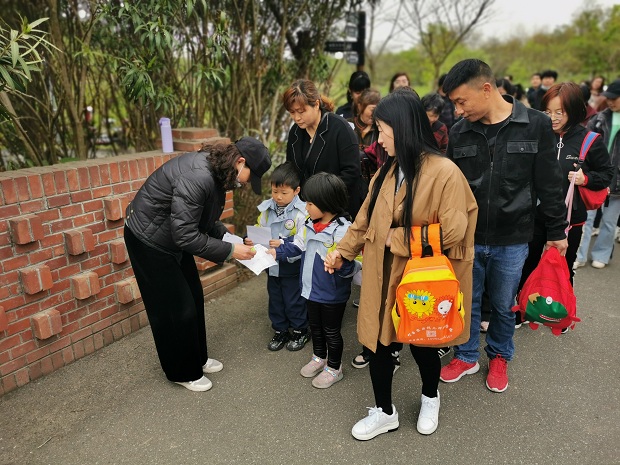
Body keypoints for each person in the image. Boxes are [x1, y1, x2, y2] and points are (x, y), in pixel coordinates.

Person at [325, 88, 478, 439]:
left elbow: (454, 231)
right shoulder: (386, 172)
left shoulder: (445, 173)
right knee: (379, 343)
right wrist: (342, 252)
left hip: (421, 280)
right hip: (382, 275)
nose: (379, 140)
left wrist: (396, 238)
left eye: (383, 131)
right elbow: (363, 220)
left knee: (423, 344)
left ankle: (430, 397)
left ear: (404, 128)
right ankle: (384, 411)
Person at [439, 59, 568, 393]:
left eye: (461, 101)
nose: (457, 110)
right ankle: (466, 355)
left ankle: (499, 355)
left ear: (486, 89)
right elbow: (449, 188)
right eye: (454, 104)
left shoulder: (535, 124)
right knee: (467, 301)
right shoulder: (459, 132)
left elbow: (549, 183)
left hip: (513, 237)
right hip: (467, 238)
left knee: (502, 304)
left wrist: (557, 231)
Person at [124, 137, 271, 392]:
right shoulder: (199, 176)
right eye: (251, 176)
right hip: (148, 241)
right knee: (175, 309)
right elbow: (186, 235)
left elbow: (205, 220)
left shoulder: (217, 172)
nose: (248, 183)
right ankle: (182, 372)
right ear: (240, 162)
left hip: (170, 238)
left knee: (193, 298)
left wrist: (233, 240)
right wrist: (230, 251)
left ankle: (198, 359)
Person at [516, 82, 612, 329]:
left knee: (563, 267)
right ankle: (523, 309)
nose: (553, 118)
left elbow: (607, 174)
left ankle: (561, 313)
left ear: (575, 111)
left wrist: (585, 179)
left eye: (560, 112)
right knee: (527, 263)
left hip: (571, 219)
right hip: (534, 215)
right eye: (548, 111)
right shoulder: (537, 134)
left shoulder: (590, 140)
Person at [269, 173, 360, 389]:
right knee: (316, 328)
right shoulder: (310, 223)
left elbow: (353, 264)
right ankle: (319, 357)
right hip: (310, 290)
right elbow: (297, 245)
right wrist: (276, 252)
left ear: (326, 203)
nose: (306, 207)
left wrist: (340, 264)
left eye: (310, 203)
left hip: (332, 294)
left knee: (331, 332)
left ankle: (334, 368)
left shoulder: (344, 230)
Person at [243, 162, 309, 351]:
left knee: (294, 300)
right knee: (276, 300)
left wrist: (281, 246)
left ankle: (300, 330)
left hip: (291, 266)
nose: (278, 197)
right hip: (271, 265)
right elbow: (259, 228)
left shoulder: (302, 212)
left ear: (296, 190)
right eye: (274, 191)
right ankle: (280, 330)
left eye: (284, 193)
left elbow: (302, 242)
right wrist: (249, 239)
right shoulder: (267, 208)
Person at [284, 79, 367, 221]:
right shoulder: (295, 132)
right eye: (292, 112)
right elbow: (291, 168)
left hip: (338, 212)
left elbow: (351, 173)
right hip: (306, 211)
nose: (296, 117)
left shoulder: (340, 128)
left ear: (316, 104)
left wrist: (321, 198)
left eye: (301, 111)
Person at [575, 78, 620, 269]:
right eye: (608, 97)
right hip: (593, 176)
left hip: (617, 181)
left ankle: (602, 254)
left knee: (609, 222)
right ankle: (579, 254)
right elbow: (584, 145)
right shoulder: (599, 118)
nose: (610, 101)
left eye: (614, 98)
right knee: (586, 219)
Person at [349, 88, 382, 183]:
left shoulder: (381, 129)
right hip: (353, 180)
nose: (375, 114)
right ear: (360, 106)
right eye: (372, 109)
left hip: (373, 182)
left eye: (378, 109)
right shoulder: (348, 125)